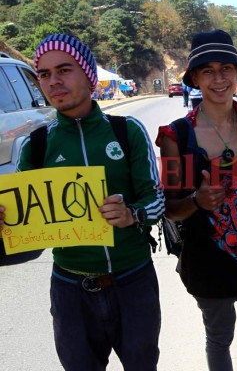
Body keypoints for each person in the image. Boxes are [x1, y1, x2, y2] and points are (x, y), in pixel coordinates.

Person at [0, 34, 165, 370]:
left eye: (64, 70)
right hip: (70, 288)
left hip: (133, 280)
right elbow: (21, 220)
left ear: (89, 75)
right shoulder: (36, 144)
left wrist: (132, 214)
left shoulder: (126, 131)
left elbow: (157, 200)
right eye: (44, 74)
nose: (54, 81)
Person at [156, 29, 237, 371]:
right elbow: (169, 211)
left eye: (226, 69)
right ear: (195, 79)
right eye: (208, 70)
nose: (219, 78)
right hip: (204, 258)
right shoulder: (177, 135)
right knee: (219, 337)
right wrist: (198, 201)